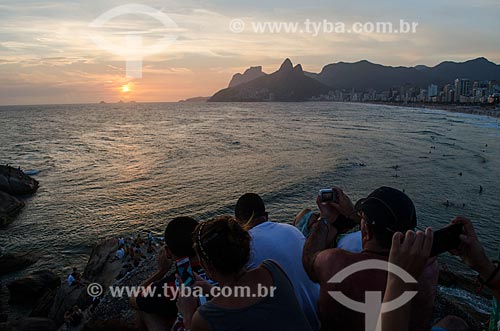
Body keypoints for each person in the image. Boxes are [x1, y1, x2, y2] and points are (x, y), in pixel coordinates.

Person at [302, 186, 438, 331]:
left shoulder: (333, 262)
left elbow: (308, 258)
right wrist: (352, 214)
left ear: (366, 231)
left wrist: (325, 219)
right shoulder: (426, 270)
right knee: (454, 323)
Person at [176, 216, 314, 331]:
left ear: (208, 266)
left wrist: (188, 314)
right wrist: (211, 289)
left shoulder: (205, 317)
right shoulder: (272, 269)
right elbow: (251, 308)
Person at [234, 193, 320, 331]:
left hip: (298, 323)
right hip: (320, 311)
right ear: (266, 215)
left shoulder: (245, 245)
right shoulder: (292, 230)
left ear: (238, 222)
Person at [130, 216, 211, 331]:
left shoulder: (172, 285)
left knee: (144, 310)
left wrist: (161, 271)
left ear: (168, 252)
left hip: (192, 322)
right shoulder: (220, 270)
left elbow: (134, 299)